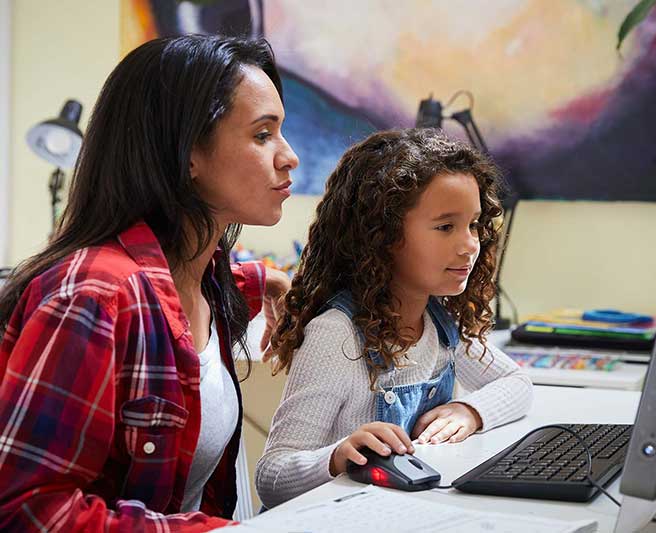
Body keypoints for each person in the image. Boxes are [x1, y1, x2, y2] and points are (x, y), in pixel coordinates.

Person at [0, 34, 299, 531]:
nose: (287, 156)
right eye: (263, 135)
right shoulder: (91, 298)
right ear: (187, 155)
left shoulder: (202, 276)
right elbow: (24, 510)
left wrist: (268, 279)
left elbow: (173, 308)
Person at [255, 128, 533, 508]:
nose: (470, 243)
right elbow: (273, 476)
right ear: (381, 235)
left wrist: (470, 411)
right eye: (445, 227)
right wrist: (336, 457)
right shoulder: (336, 336)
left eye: (473, 224)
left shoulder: (440, 323)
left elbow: (517, 383)